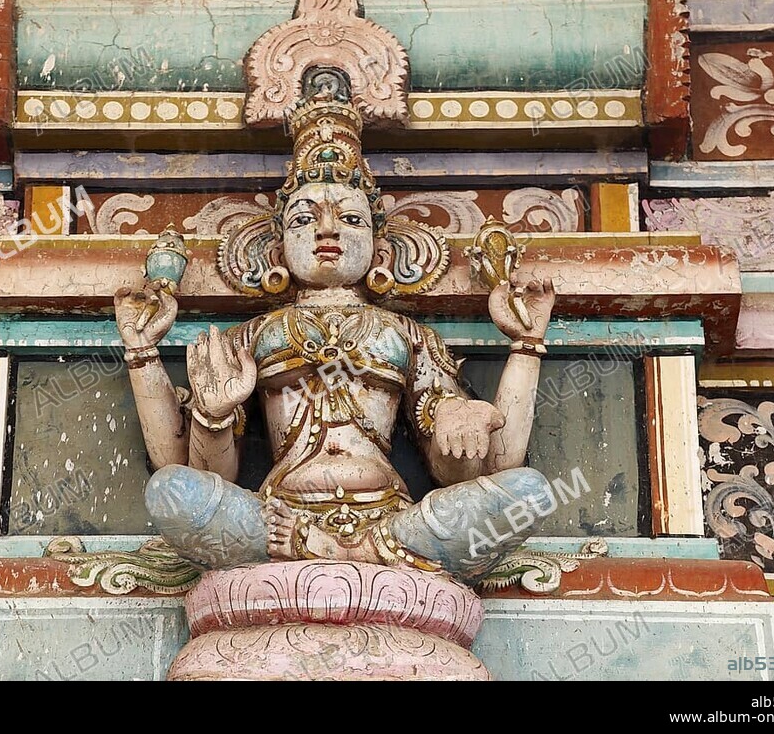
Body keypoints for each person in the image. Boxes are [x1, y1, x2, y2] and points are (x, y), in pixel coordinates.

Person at [114, 81, 556, 585]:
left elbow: (486, 466)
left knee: (529, 492)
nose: (327, 231)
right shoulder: (253, 335)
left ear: (380, 250)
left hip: (392, 519)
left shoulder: (404, 335)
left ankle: (347, 549)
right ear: (278, 251)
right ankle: (350, 554)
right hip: (278, 517)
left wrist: (520, 352)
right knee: (172, 491)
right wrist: (171, 377)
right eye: (305, 218)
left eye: (349, 218)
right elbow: (188, 469)